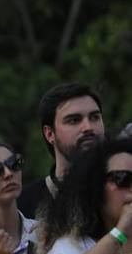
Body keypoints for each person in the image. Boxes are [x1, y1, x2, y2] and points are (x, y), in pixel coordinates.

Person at [18, 82, 106, 218]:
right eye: (74, 120)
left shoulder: (122, 190)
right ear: (49, 134)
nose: (88, 127)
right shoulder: (23, 204)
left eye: (95, 117)